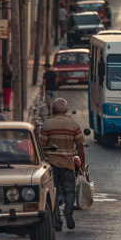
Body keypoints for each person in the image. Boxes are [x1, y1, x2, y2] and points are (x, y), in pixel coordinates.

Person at [38, 98, 85, 231]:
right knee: (69, 190)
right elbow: (80, 147)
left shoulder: (47, 124)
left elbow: (41, 146)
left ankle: (57, 223)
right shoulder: (73, 124)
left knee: (53, 193)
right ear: (66, 110)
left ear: (53, 109)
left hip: (51, 165)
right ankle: (68, 210)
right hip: (68, 164)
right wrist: (82, 166)